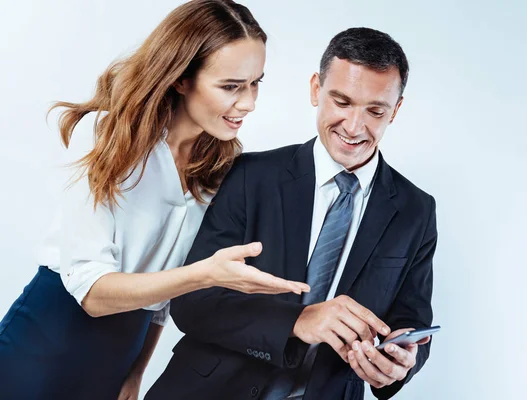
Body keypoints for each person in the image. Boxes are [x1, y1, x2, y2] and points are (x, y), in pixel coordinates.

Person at [0, 1, 310, 399]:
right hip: (45, 342)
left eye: (255, 83)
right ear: (181, 78)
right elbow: (92, 293)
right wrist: (206, 274)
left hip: (119, 354)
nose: (249, 103)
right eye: (231, 86)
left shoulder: (219, 164)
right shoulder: (106, 135)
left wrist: (136, 370)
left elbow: (160, 301)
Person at [147, 27, 437, 400]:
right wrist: (297, 322)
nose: (354, 126)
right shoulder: (250, 175)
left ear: (395, 110)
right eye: (342, 102)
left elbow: (411, 321)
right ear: (316, 89)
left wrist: (401, 363)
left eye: (375, 110)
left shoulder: (417, 210)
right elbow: (192, 302)